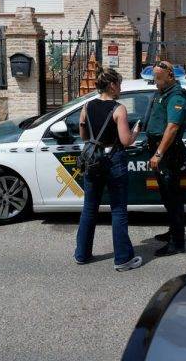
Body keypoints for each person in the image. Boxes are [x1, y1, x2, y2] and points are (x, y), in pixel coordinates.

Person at [74, 67, 142, 271]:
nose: (120, 88)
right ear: (112, 85)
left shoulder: (87, 106)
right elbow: (126, 141)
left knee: (89, 208)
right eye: (119, 84)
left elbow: (84, 136)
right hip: (114, 160)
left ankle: (82, 254)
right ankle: (122, 259)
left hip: (93, 160)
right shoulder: (119, 109)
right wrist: (136, 131)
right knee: (118, 210)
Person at [147, 61, 186, 257]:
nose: (155, 81)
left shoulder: (176, 96)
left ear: (170, 76)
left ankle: (177, 243)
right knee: (167, 196)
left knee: (173, 199)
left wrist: (159, 153)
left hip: (168, 153)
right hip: (162, 151)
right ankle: (173, 231)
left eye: (158, 77)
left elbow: (172, 127)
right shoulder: (163, 93)